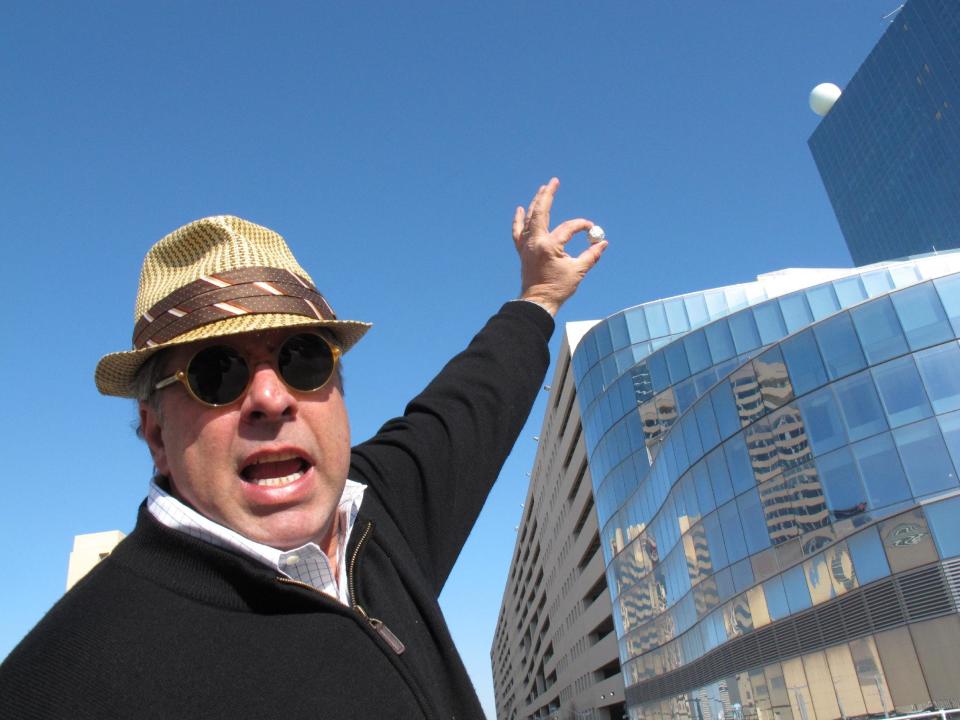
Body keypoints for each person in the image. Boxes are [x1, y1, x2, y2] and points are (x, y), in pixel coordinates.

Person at [0, 178, 607, 719]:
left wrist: (538, 299)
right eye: (217, 373)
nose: (271, 396)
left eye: (303, 359)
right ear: (157, 432)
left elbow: (469, 401)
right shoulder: (66, 683)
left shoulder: (380, 512)